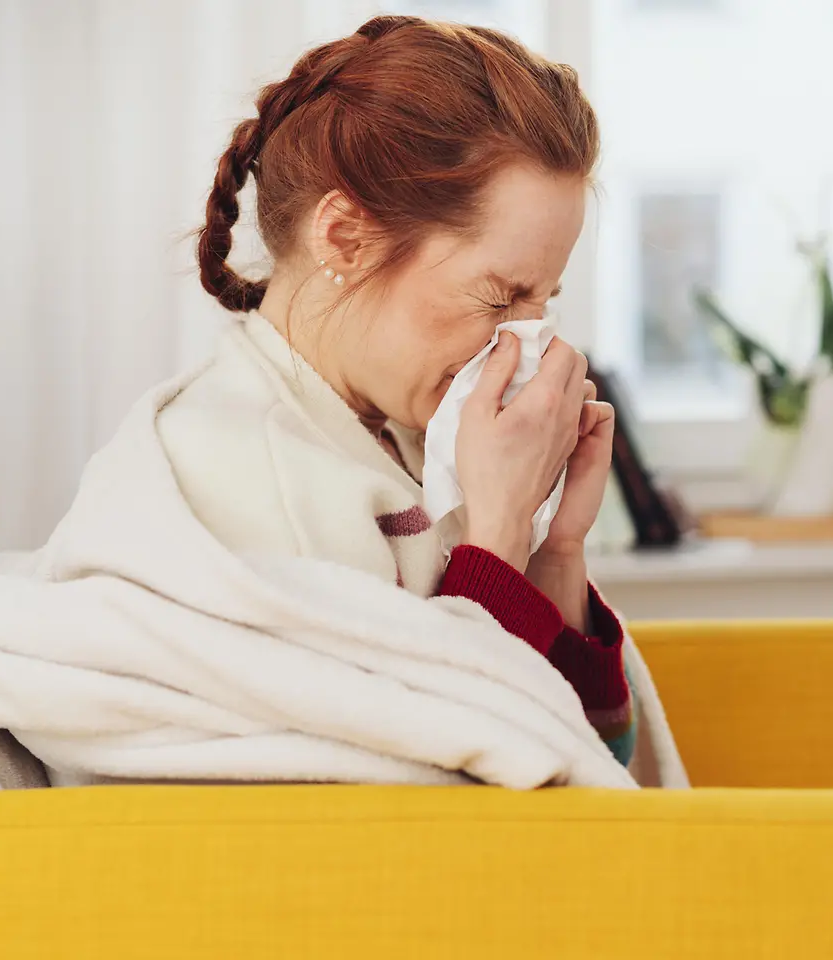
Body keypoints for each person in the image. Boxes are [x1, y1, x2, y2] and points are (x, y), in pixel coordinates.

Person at [164, 14, 635, 764]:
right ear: (345, 239)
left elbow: (600, 760)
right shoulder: (237, 473)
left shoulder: (417, 441)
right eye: (500, 297)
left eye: (543, 302)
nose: (524, 345)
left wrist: (553, 549)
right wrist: (498, 530)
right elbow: (421, 793)